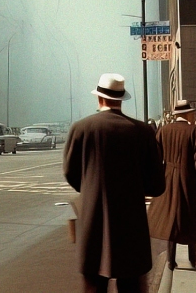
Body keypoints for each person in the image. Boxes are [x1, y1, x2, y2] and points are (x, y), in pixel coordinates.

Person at [64, 72, 165, 293]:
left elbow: (70, 172)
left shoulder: (81, 128)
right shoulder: (143, 131)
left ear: (99, 98)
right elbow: (157, 185)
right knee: (132, 285)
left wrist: (91, 191)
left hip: (94, 221)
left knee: (94, 285)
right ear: (121, 98)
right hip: (131, 224)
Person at [147, 100, 196, 270]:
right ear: (188, 114)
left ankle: (171, 259)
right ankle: (192, 256)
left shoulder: (163, 131)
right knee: (189, 216)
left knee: (170, 217)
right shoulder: (195, 131)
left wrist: (157, 179)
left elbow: (155, 158)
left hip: (168, 178)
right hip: (187, 180)